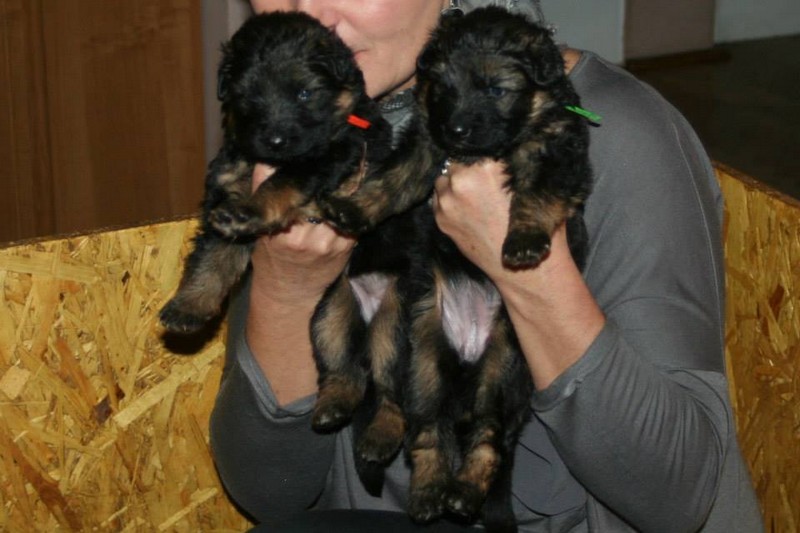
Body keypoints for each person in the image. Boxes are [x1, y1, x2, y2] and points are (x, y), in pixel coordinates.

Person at [209, 0, 765, 531]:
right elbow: (269, 491)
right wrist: (288, 287)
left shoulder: (619, 135)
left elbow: (679, 498)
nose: (313, 16)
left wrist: (530, 270)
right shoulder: (289, 126)